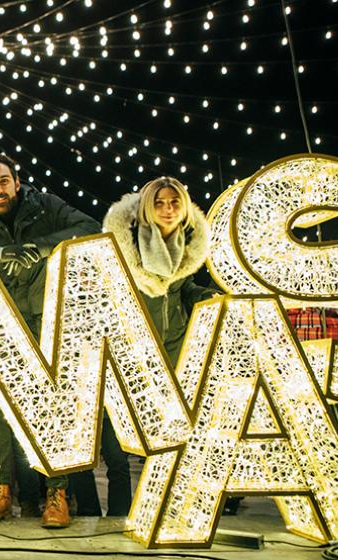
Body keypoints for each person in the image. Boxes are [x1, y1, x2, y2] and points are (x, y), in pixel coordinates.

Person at [0, 152, 101, 528]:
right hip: (3, 326)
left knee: (53, 409)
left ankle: (57, 494)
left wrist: (43, 247)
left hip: (46, 322)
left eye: (4, 181)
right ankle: (1, 492)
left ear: (17, 182)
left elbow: (91, 226)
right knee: (1, 413)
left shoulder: (46, 207)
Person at [101, 176, 217, 515]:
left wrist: (206, 297)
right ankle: (120, 512)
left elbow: (183, 291)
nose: (167, 209)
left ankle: (165, 512)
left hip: (175, 349)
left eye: (174, 202)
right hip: (134, 351)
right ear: (147, 208)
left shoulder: (189, 245)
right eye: (160, 202)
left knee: (171, 439)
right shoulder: (125, 246)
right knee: (118, 441)